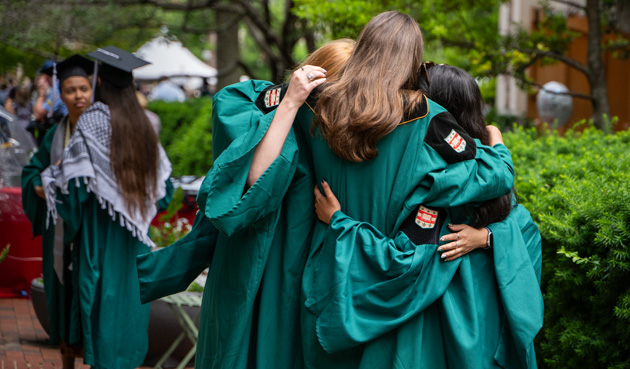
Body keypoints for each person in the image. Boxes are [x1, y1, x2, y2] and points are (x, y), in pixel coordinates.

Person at [203, 11, 514, 369]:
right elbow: (495, 175)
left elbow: (238, 106)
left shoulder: (314, 104)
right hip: (386, 277)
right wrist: (496, 144)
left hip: (324, 265)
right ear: (414, 62)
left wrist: (291, 96)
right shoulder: (430, 119)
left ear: (363, 47)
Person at [136, 38, 356, 369]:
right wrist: (289, 104)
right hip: (250, 262)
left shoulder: (345, 133)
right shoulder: (261, 106)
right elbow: (252, 183)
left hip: (299, 271)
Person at [311, 63, 543, 368]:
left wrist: (339, 221)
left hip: (439, 315)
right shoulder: (488, 167)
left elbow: (397, 261)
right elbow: (526, 231)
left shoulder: (436, 179)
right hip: (483, 319)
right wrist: (490, 236)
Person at [36, 47, 172, 369]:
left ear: (99, 83)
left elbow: (76, 189)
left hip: (101, 237)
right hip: (136, 240)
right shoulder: (144, 125)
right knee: (129, 313)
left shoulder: (93, 122)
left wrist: (53, 182)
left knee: (103, 308)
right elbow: (164, 193)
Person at [22, 54, 96, 357]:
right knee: (64, 297)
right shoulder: (55, 134)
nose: (78, 96)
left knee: (90, 299)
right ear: (60, 95)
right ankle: (66, 356)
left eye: (83, 88)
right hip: (62, 231)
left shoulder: (102, 131)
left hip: (92, 230)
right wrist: (39, 188)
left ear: (92, 89)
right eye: (70, 90)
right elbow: (32, 172)